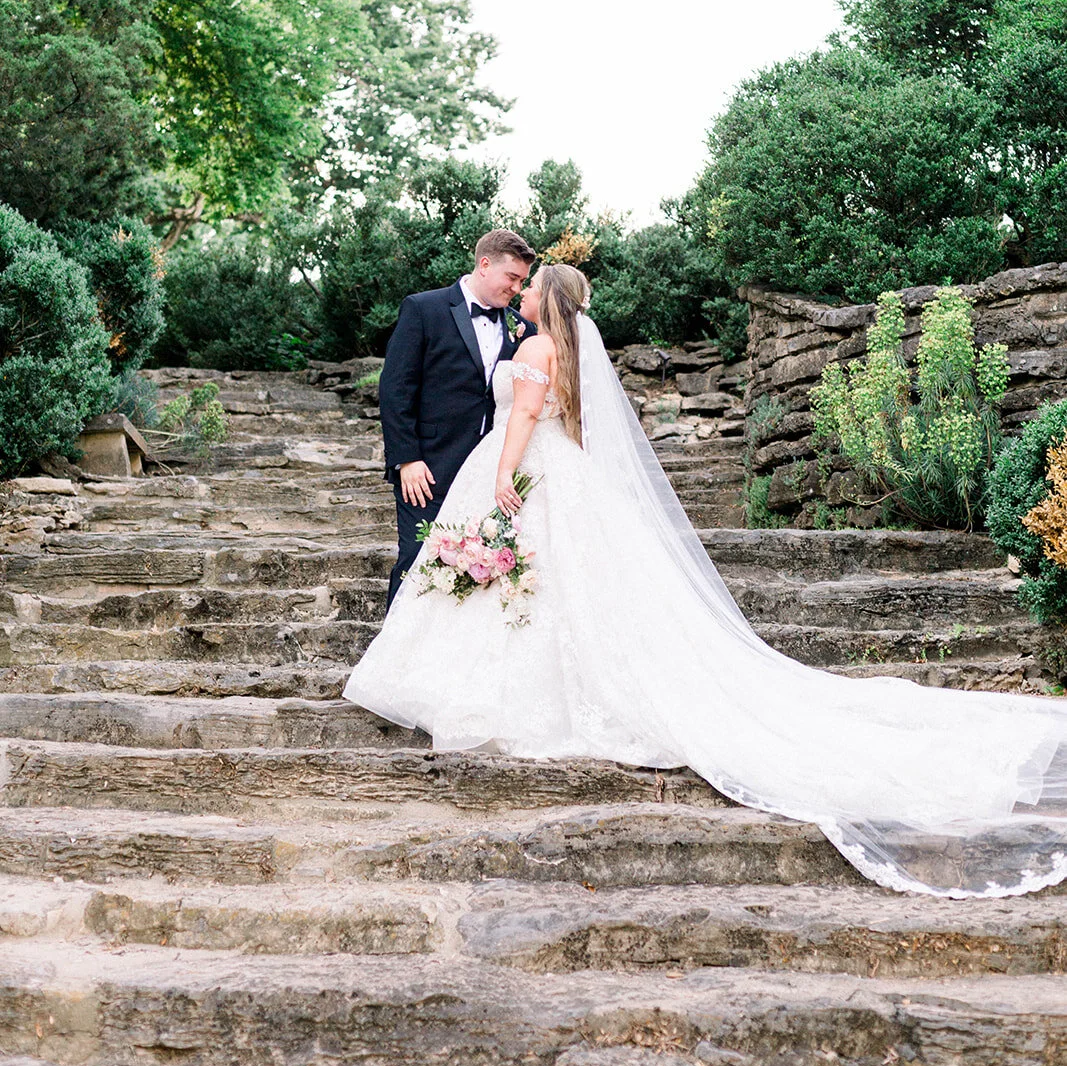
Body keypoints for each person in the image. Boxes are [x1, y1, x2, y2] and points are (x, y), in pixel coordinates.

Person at [346, 264, 1067, 898]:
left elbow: (525, 414)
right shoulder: (563, 348)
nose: (524, 291)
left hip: (521, 473)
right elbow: (576, 429)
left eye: (533, 286)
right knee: (549, 589)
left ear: (548, 301)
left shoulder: (534, 345)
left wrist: (505, 477)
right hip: (561, 473)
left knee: (529, 586)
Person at [377, 228, 537, 606]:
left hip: (489, 473)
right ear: (484, 265)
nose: (516, 288)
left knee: (475, 575)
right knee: (417, 562)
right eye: (511, 278)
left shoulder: (522, 329)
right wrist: (407, 459)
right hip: (429, 469)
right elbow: (395, 388)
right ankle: (395, 660)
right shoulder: (423, 309)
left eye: (522, 282)